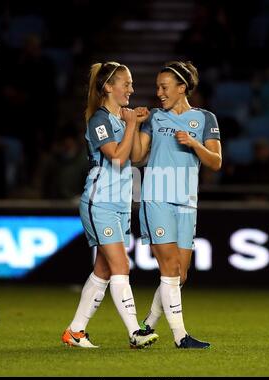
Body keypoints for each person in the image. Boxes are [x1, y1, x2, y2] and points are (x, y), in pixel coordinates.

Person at [62, 61, 158, 349]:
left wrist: (140, 125)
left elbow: (137, 156)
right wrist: (131, 124)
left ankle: (75, 331)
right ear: (108, 87)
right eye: (126, 83)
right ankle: (135, 332)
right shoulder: (99, 120)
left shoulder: (120, 120)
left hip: (118, 203)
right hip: (99, 201)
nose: (131, 89)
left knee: (104, 270)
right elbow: (117, 157)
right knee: (120, 265)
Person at [131, 61, 222, 349]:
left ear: (182, 88)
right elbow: (136, 157)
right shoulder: (154, 117)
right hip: (157, 196)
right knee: (169, 267)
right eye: (157, 87)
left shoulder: (206, 118)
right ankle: (181, 337)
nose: (159, 92)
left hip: (187, 201)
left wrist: (195, 144)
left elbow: (216, 162)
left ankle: (145, 328)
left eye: (164, 87)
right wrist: (135, 124)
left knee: (180, 274)